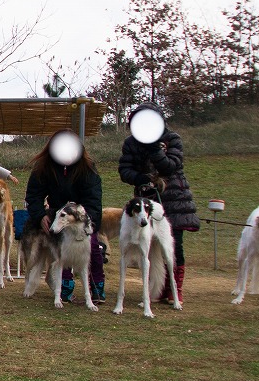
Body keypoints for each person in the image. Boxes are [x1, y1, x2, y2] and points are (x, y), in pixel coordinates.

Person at [117, 103, 199, 303]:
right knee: (148, 245)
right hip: (146, 201)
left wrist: (155, 148)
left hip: (174, 199)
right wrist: (141, 179)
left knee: (173, 245)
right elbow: (124, 170)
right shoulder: (131, 143)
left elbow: (171, 166)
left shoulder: (172, 139)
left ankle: (174, 289)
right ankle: (155, 288)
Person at [24, 130, 105, 302]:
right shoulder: (44, 167)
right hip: (57, 215)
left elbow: (93, 199)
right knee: (61, 252)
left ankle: (97, 287)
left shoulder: (88, 169)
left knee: (93, 247)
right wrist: (40, 216)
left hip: (82, 217)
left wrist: (87, 223)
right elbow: (33, 195)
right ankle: (65, 287)